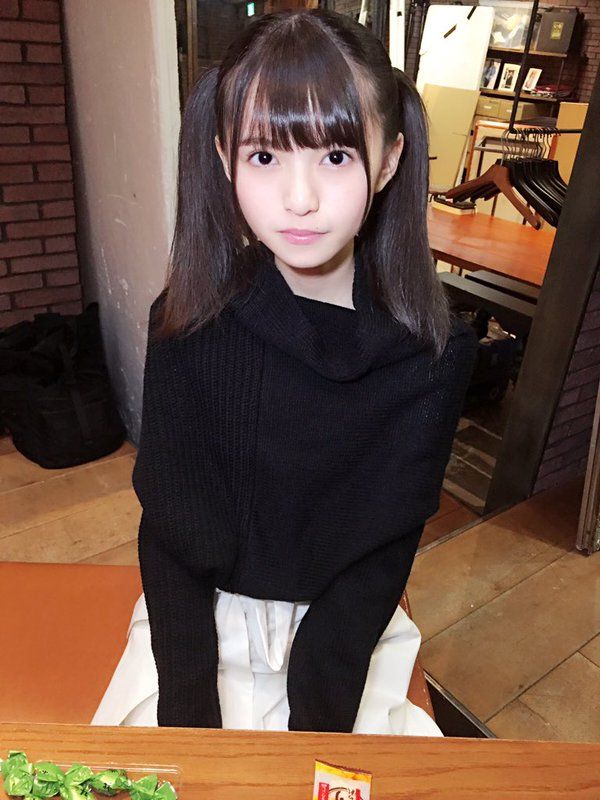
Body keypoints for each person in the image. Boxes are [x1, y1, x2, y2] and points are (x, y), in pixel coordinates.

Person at [92, 8, 478, 735]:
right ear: (223, 157)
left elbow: (383, 550)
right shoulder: (187, 322)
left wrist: (317, 724)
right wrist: (189, 710)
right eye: (265, 157)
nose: (300, 199)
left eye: (336, 157)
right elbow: (171, 527)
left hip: (346, 631)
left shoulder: (434, 352)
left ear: (389, 160)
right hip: (200, 619)